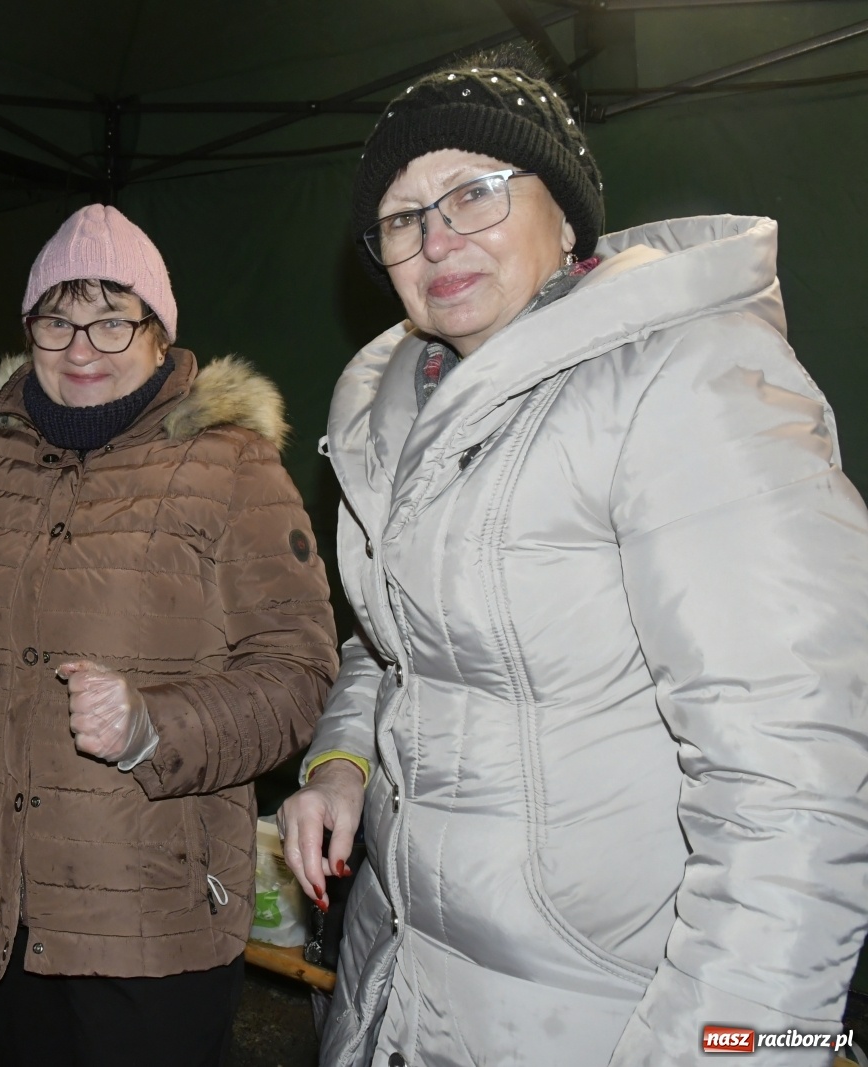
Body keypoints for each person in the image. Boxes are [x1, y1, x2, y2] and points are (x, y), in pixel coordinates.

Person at [276, 50, 868, 1067]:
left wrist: (727, 1048)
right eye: (402, 218)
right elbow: (393, 648)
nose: (436, 238)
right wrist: (342, 764)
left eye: (473, 193)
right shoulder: (401, 421)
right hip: (406, 984)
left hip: (610, 1011)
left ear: (567, 212)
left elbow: (795, 787)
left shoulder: (689, 386)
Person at [0, 204, 341, 1067]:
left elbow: (297, 673)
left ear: (160, 333)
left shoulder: (233, 466)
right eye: (57, 322)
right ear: (29, 330)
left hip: (149, 914)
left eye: (111, 320)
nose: (81, 348)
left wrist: (152, 726)